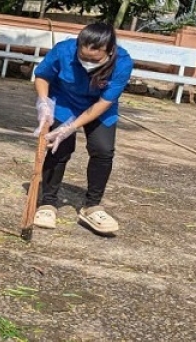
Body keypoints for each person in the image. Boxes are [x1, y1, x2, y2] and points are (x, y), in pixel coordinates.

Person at [32, 21, 133, 235]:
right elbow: (42, 75)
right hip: (65, 102)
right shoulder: (64, 50)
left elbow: (104, 103)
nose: (86, 61)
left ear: (110, 51)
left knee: (103, 150)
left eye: (94, 59)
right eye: (83, 56)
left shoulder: (122, 62)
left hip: (99, 107)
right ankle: (48, 203)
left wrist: (71, 127)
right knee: (58, 147)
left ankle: (92, 206)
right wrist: (44, 103)